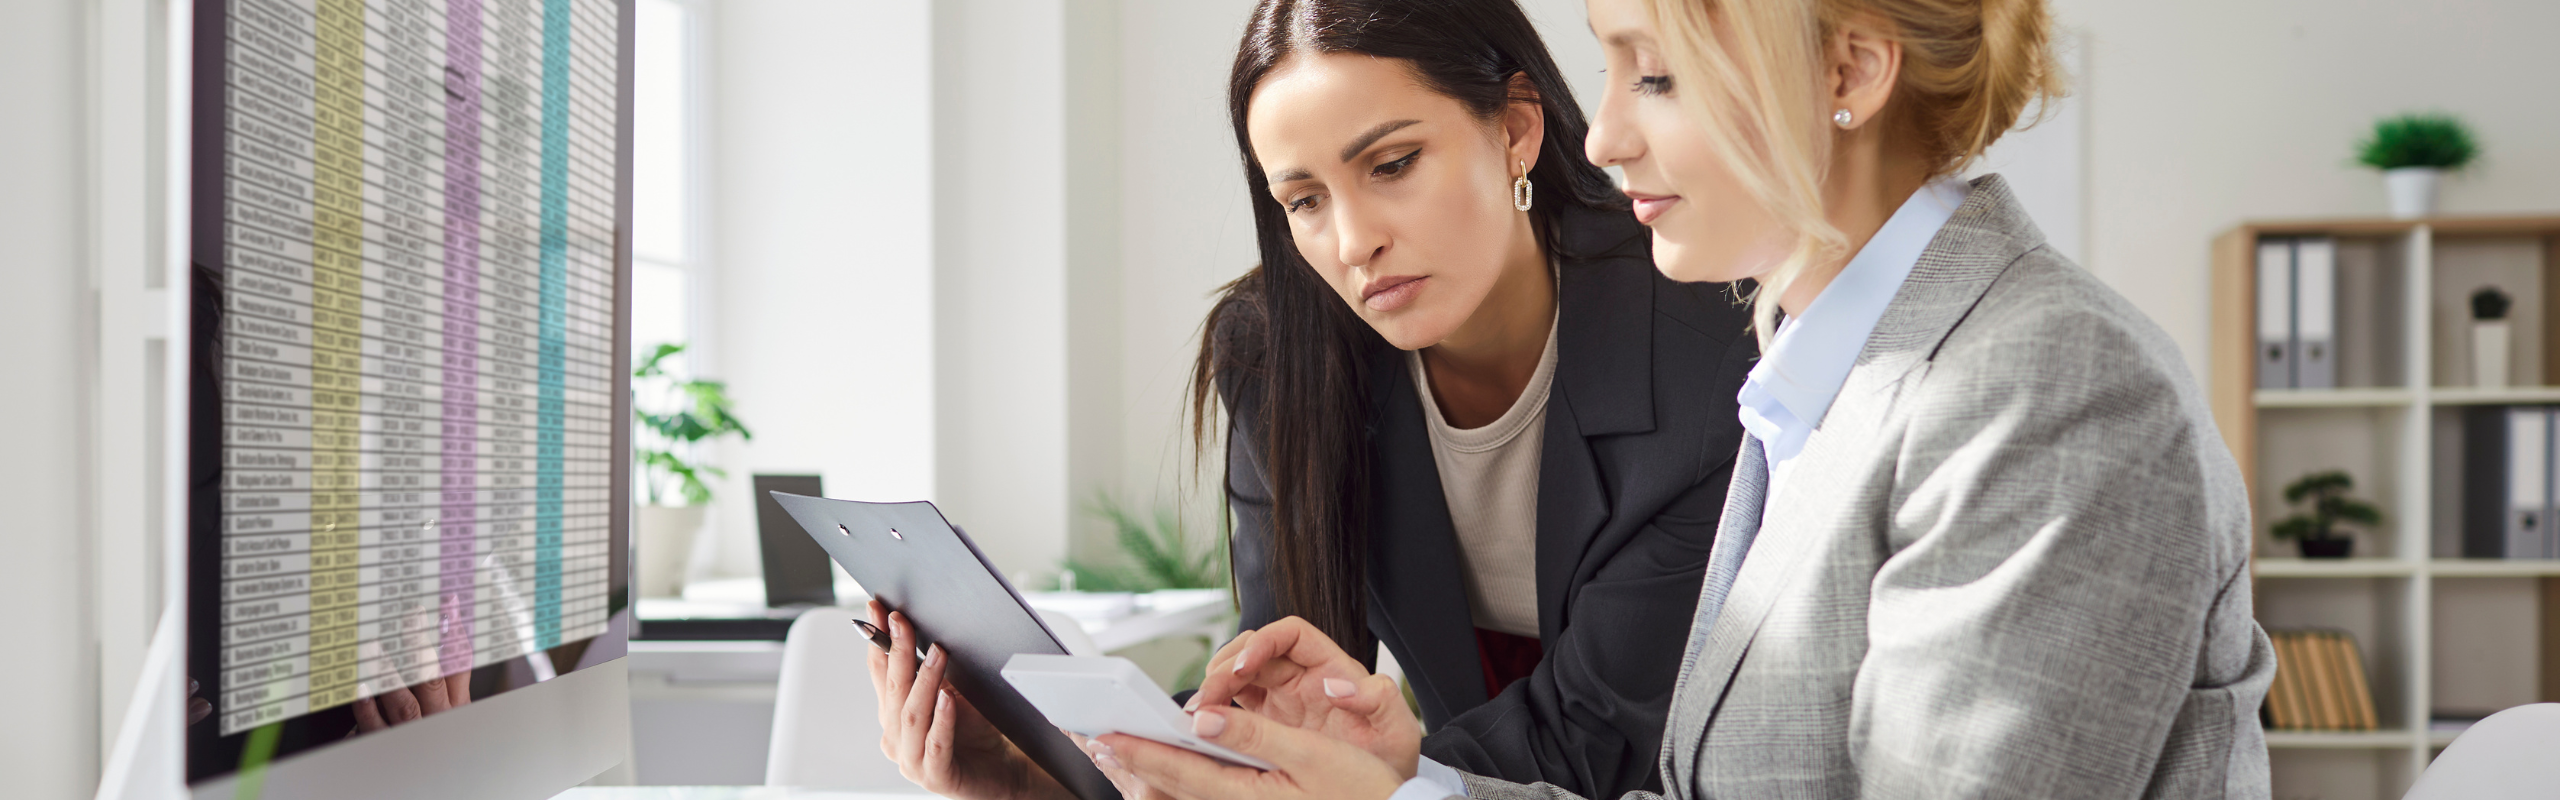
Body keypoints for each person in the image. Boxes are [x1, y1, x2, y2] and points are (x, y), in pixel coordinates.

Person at [1093, 0, 2278, 798]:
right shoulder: (1816, 379)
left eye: (1653, 73)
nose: (1600, 135)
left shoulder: (2043, 391)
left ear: (1849, 73)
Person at [862, 0, 1759, 798]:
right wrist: (1034, 780)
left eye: (1394, 164)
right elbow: (1289, 699)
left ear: (1516, 128)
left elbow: (1591, 741)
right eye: (1303, 200)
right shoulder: (1278, 353)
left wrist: (1367, 784)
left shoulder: (1708, 346)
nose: (1354, 240)